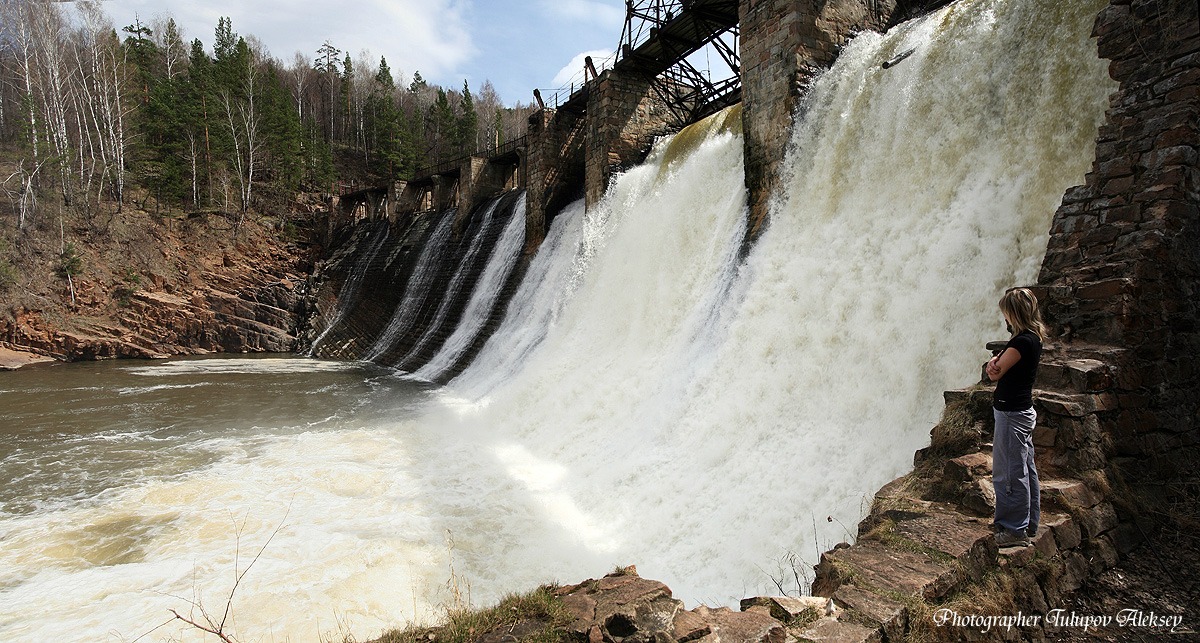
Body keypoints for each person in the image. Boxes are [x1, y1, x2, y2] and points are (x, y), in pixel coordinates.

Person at [985, 287, 1045, 548]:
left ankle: (1013, 530)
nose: (1005, 318)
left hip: (1011, 414)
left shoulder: (1021, 343)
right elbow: (999, 365)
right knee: (1025, 468)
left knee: (1009, 472)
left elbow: (995, 373)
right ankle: (1028, 523)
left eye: (1006, 313)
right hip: (1021, 411)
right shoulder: (1031, 338)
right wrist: (996, 364)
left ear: (1014, 313)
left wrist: (993, 366)